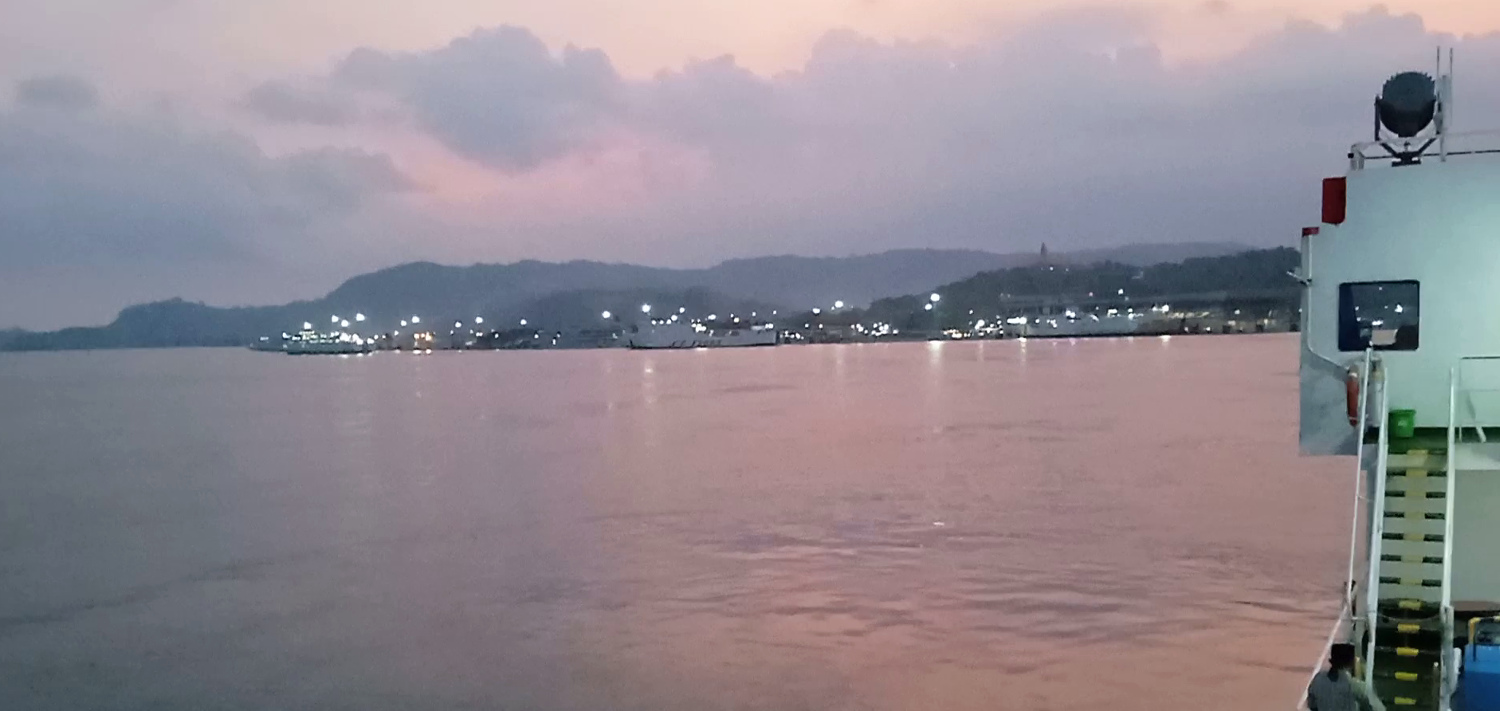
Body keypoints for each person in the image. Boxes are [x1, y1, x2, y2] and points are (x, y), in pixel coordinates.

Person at [1306, 643, 1386, 711]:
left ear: (1331, 661)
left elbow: (1312, 705)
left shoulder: (1318, 680)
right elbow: (1379, 709)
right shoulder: (1358, 687)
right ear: (1351, 663)